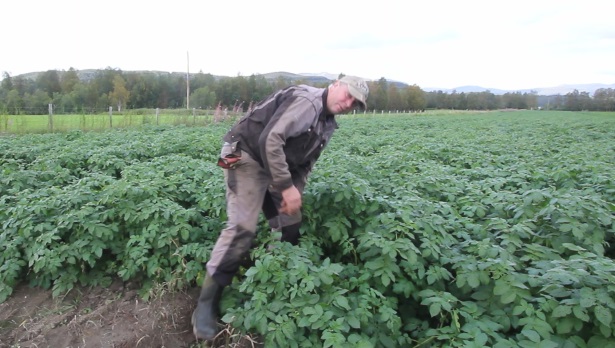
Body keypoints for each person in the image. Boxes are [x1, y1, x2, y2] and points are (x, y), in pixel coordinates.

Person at [192, 75, 369, 341]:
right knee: (241, 227)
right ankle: (205, 304)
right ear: (334, 85)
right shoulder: (307, 102)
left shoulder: (328, 123)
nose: (348, 103)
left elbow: (305, 163)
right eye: (347, 94)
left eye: (355, 102)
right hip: (238, 151)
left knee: (290, 223)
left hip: (269, 162)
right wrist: (285, 187)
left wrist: (295, 190)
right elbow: (269, 140)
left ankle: (267, 273)